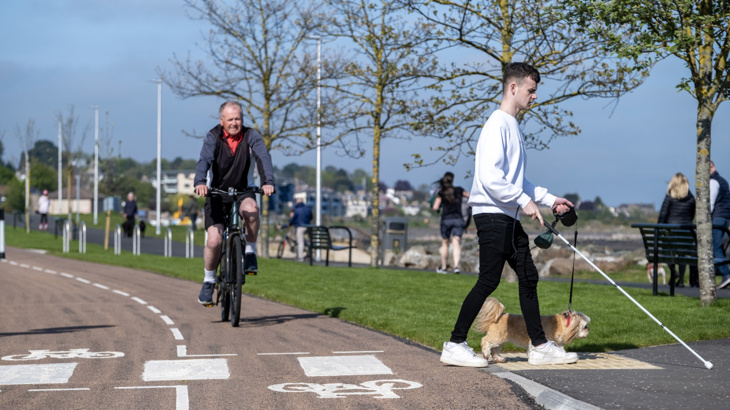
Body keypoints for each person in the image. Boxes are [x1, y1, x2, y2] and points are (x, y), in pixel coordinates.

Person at [439, 62, 577, 368]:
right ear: (513, 88)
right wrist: (523, 201)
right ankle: (455, 343)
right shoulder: (497, 125)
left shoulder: (513, 126)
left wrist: (550, 199)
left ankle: (539, 346)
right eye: (531, 90)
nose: (535, 96)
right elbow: (489, 178)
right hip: (492, 215)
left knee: (528, 275)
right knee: (488, 280)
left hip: (507, 215)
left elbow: (518, 182)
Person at [195, 100, 275, 305]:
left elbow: (263, 157)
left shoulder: (251, 136)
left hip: (242, 191)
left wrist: (268, 182)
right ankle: (209, 280)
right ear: (222, 121)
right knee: (214, 240)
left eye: (238, 118)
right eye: (230, 119)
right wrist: (200, 182)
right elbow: (204, 160)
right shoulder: (213, 137)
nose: (234, 123)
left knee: (252, 210)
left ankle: (249, 251)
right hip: (216, 193)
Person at [657, 173, 696, 287]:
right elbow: (692, 215)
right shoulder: (691, 198)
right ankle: (681, 281)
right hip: (686, 235)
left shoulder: (669, 197)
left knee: (665, 251)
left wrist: (660, 228)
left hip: (671, 234)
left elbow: (663, 214)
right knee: (683, 255)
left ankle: (674, 272)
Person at [432, 172, 469, 274]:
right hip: (458, 219)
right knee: (456, 241)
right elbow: (470, 196)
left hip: (446, 219)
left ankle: (443, 268)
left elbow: (435, 207)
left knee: (445, 243)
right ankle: (456, 267)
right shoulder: (459, 190)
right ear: (452, 180)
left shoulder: (441, 192)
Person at [710, 161, 730, 289]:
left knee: (714, 247)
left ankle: (726, 274)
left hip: (717, 218)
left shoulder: (713, 182)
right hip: (725, 218)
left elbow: (710, 204)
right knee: (718, 247)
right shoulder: (723, 181)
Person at [281, 197, 312, 262]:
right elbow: (311, 216)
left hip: (300, 227)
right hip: (308, 226)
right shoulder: (308, 208)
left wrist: (288, 224)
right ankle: (309, 253)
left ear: (298, 201)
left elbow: (293, 219)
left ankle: (300, 257)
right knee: (307, 240)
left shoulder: (297, 210)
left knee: (300, 242)